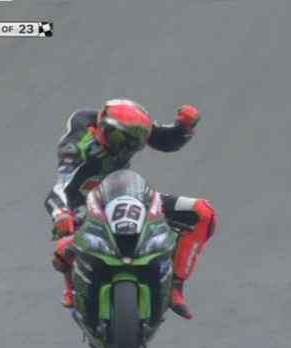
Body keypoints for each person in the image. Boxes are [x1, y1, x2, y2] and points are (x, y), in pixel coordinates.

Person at [45, 99, 216, 319]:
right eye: (118, 139)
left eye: (134, 143)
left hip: (123, 193)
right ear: (102, 128)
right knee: (65, 246)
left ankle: (175, 286)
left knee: (202, 212)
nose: (125, 147)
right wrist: (61, 215)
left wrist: (184, 128)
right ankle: (71, 288)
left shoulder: (132, 129)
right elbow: (59, 188)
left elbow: (166, 141)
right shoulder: (75, 147)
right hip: (84, 202)